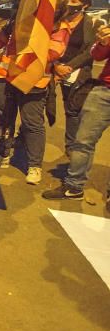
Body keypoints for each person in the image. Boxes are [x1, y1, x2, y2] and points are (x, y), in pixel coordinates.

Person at [0, 0, 72, 185]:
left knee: (32, 124)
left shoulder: (59, 27)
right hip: (8, 77)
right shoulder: (20, 20)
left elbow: (53, 52)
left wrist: (27, 39)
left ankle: (34, 165)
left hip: (34, 82)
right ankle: (1, 154)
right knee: (5, 119)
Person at [43, 23, 110, 203]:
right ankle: (74, 186)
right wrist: (103, 43)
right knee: (83, 140)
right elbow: (96, 55)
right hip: (105, 91)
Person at [51, 0, 97, 152]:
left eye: (75, 3)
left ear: (85, 5)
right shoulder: (59, 21)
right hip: (53, 66)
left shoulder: (90, 23)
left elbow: (90, 50)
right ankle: (24, 136)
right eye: (70, 1)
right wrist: (56, 65)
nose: (70, 5)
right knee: (37, 104)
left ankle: (71, 145)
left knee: (72, 108)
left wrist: (68, 67)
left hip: (75, 71)